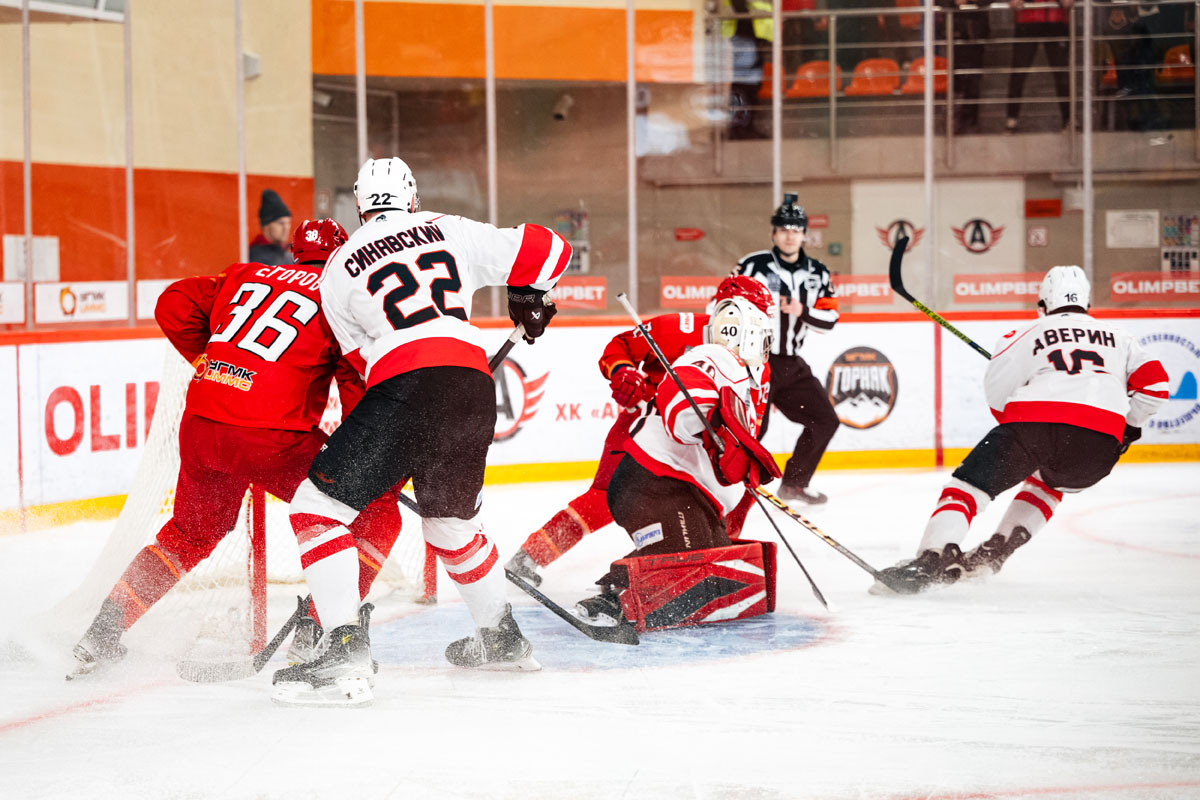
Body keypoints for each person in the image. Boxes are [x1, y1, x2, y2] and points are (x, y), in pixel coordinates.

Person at [271, 157, 570, 707]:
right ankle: (500, 637)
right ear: (412, 198)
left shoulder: (339, 266)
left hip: (402, 383)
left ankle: (343, 647)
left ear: (360, 206)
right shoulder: (448, 228)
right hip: (471, 385)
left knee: (317, 509)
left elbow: (363, 363)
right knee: (452, 524)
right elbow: (553, 249)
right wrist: (528, 296)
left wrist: (396, 435)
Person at [69, 219, 404, 678]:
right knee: (377, 512)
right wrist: (372, 458)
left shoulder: (244, 273)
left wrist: (205, 358)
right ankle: (318, 628)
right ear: (342, 254)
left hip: (203, 425)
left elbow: (173, 301)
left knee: (188, 535)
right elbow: (353, 384)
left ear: (294, 251)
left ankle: (103, 630)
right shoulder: (338, 294)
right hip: (273, 440)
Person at [874, 266, 1169, 595]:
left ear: (1043, 304)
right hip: (1099, 446)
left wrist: (1021, 430)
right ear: (1087, 304)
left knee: (967, 488)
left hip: (1033, 427)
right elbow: (1156, 389)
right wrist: (1126, 429)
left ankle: (930, 560)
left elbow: (997, 396)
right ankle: (995, 552)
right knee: (1049, 483)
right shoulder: (1122, 339)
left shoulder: (1025, 334)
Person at [505, 276, 775, 588]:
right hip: (644, 431)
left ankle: (703, 562)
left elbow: (746, 428)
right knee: (603, 498)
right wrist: (624, 373)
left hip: (694, 457)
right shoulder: (680, 328)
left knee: (721, 505)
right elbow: (619, 347)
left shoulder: (760, 363)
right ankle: (532, 557)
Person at [573, 289, 782, 632]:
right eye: (763, 337)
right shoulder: (713, 358)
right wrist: (709, 423)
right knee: (687, 562)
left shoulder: (746, 376)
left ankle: (620, 586)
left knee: (713, 558)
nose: (767, 346)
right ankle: (612, 601)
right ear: (747, 335)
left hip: (680, 492)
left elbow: (732, 444)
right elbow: (679, 407)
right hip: (652, 484)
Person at [735, 193, 839, 505]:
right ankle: (732, 490)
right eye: (783, 229)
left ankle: (794, 484)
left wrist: (800, 309)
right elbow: (718, 305)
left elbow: (830, 319)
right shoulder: (752, 265)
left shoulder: (818, 272)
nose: (790, 235)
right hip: (754, 361)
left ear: (805, 234)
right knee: (755, 429)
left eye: (796, 230)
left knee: (824, 420)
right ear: (773, 233)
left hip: (791, 364)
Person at [1004, 0, 1073, 133]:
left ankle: (1069, 118)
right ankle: (1011, 118)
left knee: (1062, 74)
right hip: (1027, 20)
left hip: (1056, 20)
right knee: (1018, 73)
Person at [249, 189, 294, 266]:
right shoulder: (253, 257)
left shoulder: (289, 257)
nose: (286, 228)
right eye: (281, 223)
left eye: (288, 223)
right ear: (266, 224)